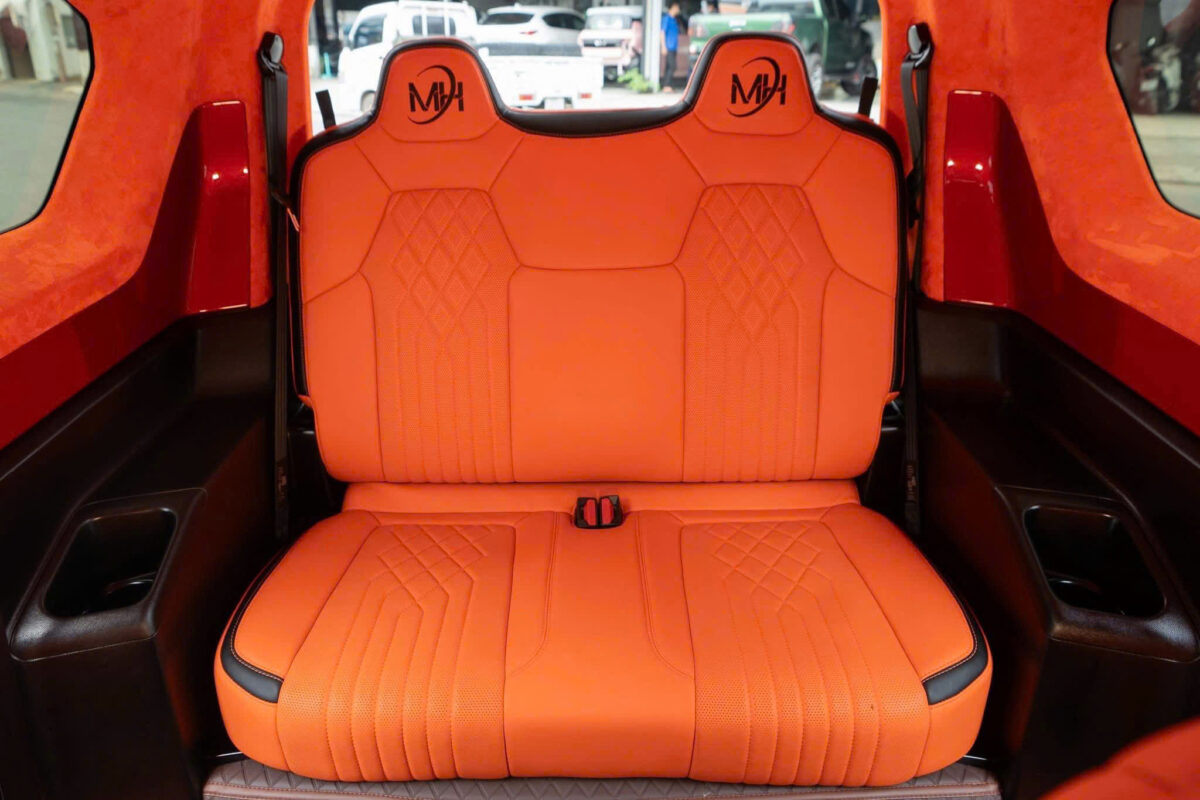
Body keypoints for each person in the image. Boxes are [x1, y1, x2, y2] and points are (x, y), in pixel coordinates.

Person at [660, 1, 681, 92]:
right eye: (677, 7)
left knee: (669, 66)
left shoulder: (674, 20)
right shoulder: (667, 19)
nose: (678, 10)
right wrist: (663, 46)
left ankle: (666, 86)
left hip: (674, 47)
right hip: (668, 46)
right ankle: (666, 85)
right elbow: (662, 33)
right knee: (672, 66)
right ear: (673, 7)